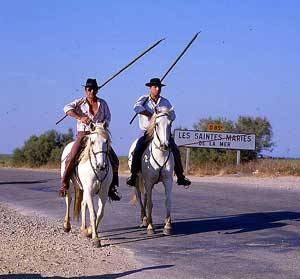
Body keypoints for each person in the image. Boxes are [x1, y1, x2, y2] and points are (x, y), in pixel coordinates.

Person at [59, 78, 121, 201]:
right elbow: (66, 108)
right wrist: (80, 117)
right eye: (89, 89)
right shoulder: (80, 102)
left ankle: (112, 187)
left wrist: (102, 125)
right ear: (85, 90)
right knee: (71, 156)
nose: (91, 91)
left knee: (114, 159)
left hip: (99, 134)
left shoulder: (103, 103)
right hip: (84, 134)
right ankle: (64, 183)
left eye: (93, 89)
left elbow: (108, 117)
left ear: (97, 90)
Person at [127, 77, 191, 187]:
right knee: (137, 149)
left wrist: (165, 115)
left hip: (162, 132)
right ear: (150, 88)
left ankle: (180, 176)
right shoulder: (144, 99)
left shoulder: (165, 102)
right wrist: (151, 115)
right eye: (155, 87)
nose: (157, 89)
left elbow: (173, 115)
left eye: (159, 87)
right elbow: (136, 108)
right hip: (147, 131)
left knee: (175, 150)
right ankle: (133, 175)